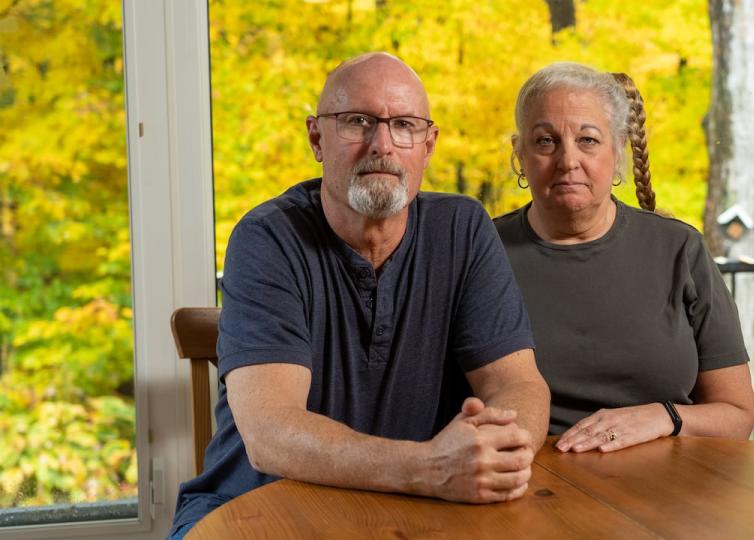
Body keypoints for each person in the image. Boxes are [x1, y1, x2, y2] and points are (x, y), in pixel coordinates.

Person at [169, 52, 550, 538]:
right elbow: (271, 436)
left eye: (404, 125)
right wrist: (429, 467)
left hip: (411, 513)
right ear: (316, 138)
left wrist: (502, 451)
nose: (382, 145)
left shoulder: (463, 229)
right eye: (357, 122)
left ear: (428, 145)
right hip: (251, 510)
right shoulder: (268, 238)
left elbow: (517, 383)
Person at [494, 62, 754, 454]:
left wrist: (663, 417)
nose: (568, 161)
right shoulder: (481, 252)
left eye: (588, 140)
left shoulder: (680, 250)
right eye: (546, 141)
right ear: (520, 154)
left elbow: (738, 414)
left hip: (667, 491)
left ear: (618, 151)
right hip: (528, 482)